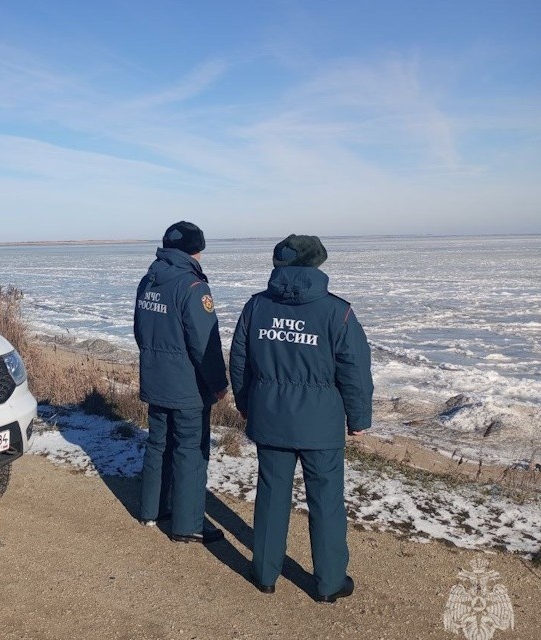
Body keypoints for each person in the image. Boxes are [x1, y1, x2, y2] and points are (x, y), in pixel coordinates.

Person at [229, 234, 373, 602]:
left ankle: (264, 574)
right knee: (326, 501)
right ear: (318, 264)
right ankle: (328, 584)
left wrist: (247, 404)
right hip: (319, 424)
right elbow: (354, 371)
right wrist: (358, 418)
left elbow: (240, 362)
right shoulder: (336, 312)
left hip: (271, 416)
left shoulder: (256, 307)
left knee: (272, 494)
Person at [134, 221, 229, 544]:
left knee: (159, 443)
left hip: (156, 378)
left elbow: (140, 330)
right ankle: (187, 524)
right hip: (187, 386)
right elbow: (205, 344)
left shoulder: (149, 280)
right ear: (196, 250)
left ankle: (151, 509)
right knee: (190, 449)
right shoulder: (192, 287)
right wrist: (218, 383)